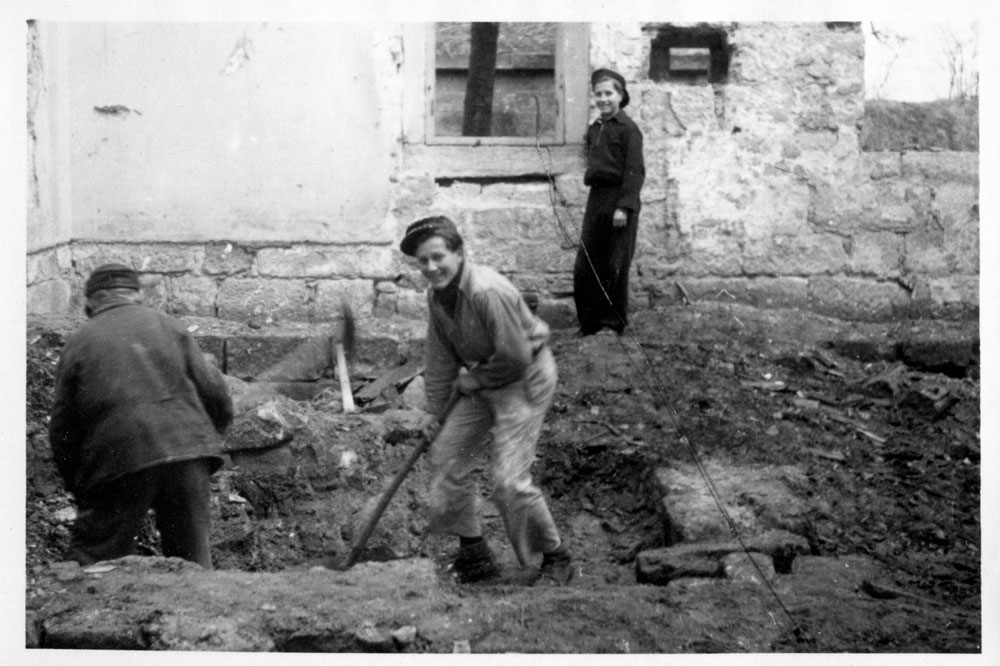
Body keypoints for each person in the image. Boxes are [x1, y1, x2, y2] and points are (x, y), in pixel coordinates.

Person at [400, 216, 573, 585]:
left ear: (459, 254)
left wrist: (473, 379)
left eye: (438, 256)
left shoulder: (485, 290)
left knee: (508, 480)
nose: (431, 267)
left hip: (525, 376)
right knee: (448, 454)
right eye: (422, 261)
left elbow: (514, 357)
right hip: (483, 376)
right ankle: (474, 552)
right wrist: (435, 413)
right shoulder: (437, 295)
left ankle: (557, 557)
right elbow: (440, 357)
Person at [49, 263, 233, 568]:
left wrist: (79, 485)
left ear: (92, 301)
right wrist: (210, 438)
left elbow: (62, 428)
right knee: (193, 564)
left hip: (120, 459)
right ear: (136, 295)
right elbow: (215, 394)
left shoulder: (79, 342)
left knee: (98, 559)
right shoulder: (170, 325)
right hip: (190, 454)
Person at [574, 68, 646, 336]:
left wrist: (624, 207)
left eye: (609, 93)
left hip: (620, 200)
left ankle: (613, 324)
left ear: (621, 95)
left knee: (615, 264)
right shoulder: (595, 128)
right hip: (598, 199)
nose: (603, 99)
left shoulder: (629, 130)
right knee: (587, 262)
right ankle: (589, 323)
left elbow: (634, 171)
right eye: (598, 94)